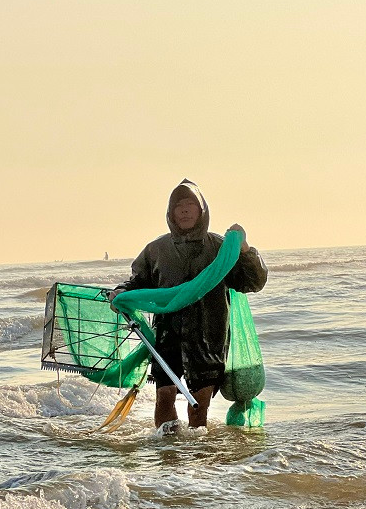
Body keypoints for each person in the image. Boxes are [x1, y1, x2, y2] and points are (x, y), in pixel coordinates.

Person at [108, 179, 268, 429]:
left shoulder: (220, 249)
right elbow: (137, 283)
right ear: (170, 213)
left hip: (208, 341)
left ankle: (198, 462)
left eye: (191, 205)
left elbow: (253, 282)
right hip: (167, 336)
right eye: (178, 206)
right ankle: (168, 453)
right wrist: (120, 292)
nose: (184, 210)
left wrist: (245, 250)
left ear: (202, 210)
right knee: (163, 399)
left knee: (198, 407)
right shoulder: (155, 250)